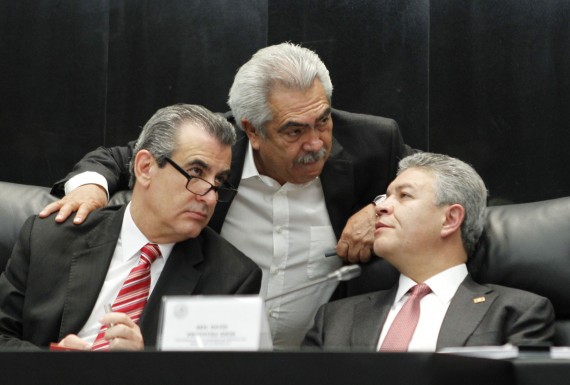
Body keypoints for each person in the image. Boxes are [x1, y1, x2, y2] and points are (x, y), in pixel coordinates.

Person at [39, 43, 412, 348]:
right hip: (211, 357)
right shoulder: (214, 150)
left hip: (319, 360)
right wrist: (90, 186)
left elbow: (447, 184)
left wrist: (381, 206)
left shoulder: (373, 142)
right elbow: (123, 158)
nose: (316, 144)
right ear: (251, 130)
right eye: (293, 131)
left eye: (323, 121)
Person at [0, 104, 262, 351]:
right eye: (195, 172)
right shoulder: (49, 237)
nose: (210, 196)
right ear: (145, 167)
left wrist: (142, 365)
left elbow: (221, 376)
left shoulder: (232, 278)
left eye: (219, 181)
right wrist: (52, 367)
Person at [303, 152, 555, 351]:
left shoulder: (515, 313)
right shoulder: (333, 319)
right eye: (384, 197)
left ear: (450, 219)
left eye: (404, 196)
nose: (380, 208)